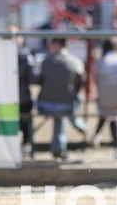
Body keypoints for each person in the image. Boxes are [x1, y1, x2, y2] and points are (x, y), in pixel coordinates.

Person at [36, 38, 85, 160]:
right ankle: (78, 124)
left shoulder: (47, 61)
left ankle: (59, 148)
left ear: (56, 44)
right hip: (67, 106)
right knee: (68, 106)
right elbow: (80, 84)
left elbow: (39, 80)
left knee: (61, 113)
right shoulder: (76, 62)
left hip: (45, 105)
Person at [8, 26, 40, 157]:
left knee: (7, 126)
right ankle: (25, 146)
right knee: (25, 124)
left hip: (4, 98)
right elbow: (34, 78)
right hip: (23, 98)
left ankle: (10, 148)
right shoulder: (26, 56)